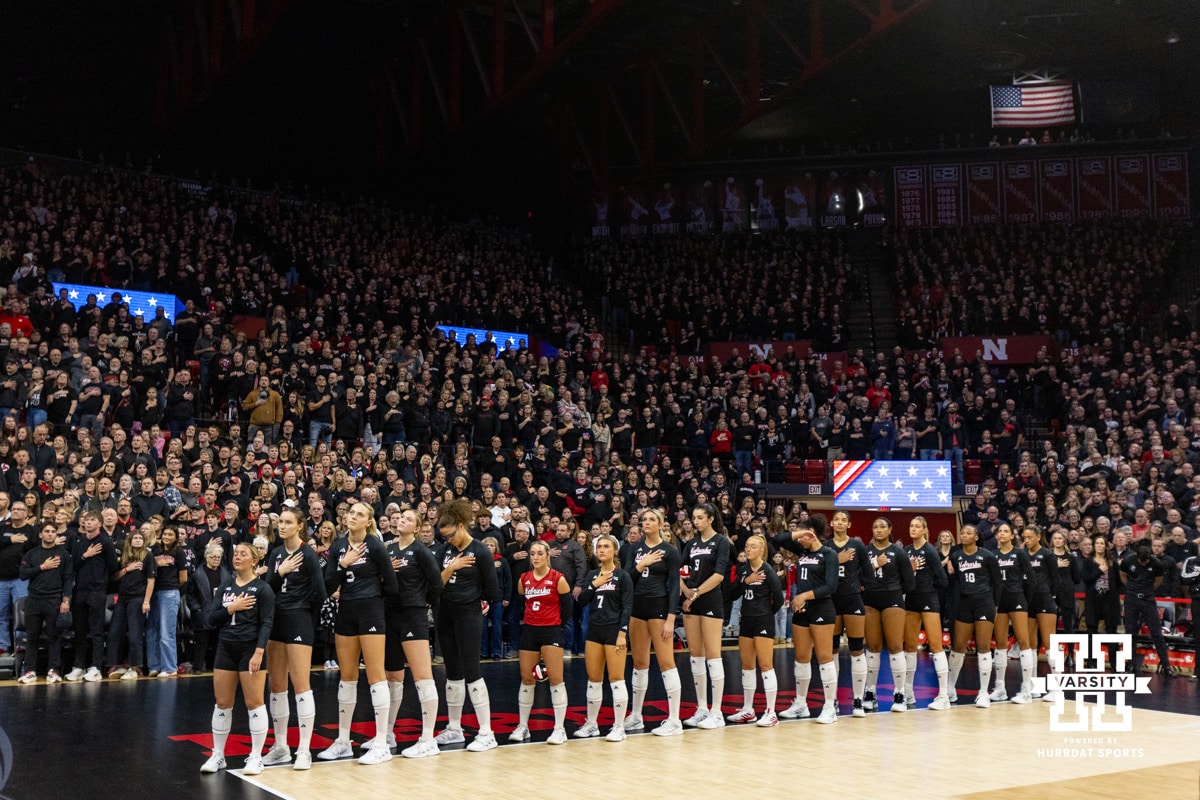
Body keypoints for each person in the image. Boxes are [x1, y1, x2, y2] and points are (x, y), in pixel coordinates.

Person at [319, 502, 399, 765]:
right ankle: (343, 741)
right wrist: (343, 564)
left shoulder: (375, 545)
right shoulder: (339, 546)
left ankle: (381, 742)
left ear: (368, 521)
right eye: (351, 512)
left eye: (360, 514)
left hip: (371, 612)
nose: (353, 516)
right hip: (347, 614)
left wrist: (374, 602)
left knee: (376, 676)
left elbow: (392, 584)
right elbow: (328, 585)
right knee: (347, 677)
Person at [199, 542, 276, 775]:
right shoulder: (226, 586)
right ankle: (218, 755)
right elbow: (211, 619)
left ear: (254, 560)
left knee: (254, 703)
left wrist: (259, 652)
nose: (237, 557)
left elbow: (267, 623)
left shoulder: (263, 589)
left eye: (243, 554)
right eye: (235, 554)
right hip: (226, 648)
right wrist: (232, 608)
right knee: (222, 703)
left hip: (250, 649)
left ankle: (255, 756)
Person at [261, 506, 328, 770]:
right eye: (281, 522)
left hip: (299, 619)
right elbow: (267, 588)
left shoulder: (308, 554)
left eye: (288, 522)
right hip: (276, 619)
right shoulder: (276, 554)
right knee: (277, 685)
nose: (282, 526)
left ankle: (304, 749)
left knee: (301, 685)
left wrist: (302, 612)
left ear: (299, 526)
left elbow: (320, 594)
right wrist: (281, 572)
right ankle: (280, 746)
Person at [432, 499, 501, 752]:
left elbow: (493, 590)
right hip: (445, 613)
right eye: (444, 536)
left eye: (450, 535)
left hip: (469, 614)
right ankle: (453, 727)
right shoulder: (444, 552)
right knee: (452, 671)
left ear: (462, 526)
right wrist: (451, 567)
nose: (447, 539)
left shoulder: (481, 551)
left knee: (472, 671)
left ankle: (487, 732)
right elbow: (435, 585)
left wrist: (479, 602)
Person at [382, 507, 443, 759]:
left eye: (407, 519)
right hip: (390, 615)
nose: (400, 520)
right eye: (399, 517)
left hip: (413, 615)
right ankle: (387, 734)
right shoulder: (389, 549)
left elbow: (437, 584)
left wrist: (422, 601)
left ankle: (428, 739)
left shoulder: (421, 551)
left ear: (417, 527)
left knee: (422, 677)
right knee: (392, 676)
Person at [622, 508, 684, 736]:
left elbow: (675, 587)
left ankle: (675, 719)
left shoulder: (670, 551)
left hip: (659, 608)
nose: (646, 522)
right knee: (639, 662)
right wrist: (642, 563)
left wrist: (671, 618)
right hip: (637, 607)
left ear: (660, 524)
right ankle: (636, 716)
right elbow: (627, 578)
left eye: (651, 519)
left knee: (667, 662)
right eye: (643, 519)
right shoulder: (634, 548)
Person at [775, 516, 839, 724]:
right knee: (801, 657)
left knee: (823, 657)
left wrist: (804, 595)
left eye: (803, 535)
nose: (799, 541)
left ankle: (830, 707)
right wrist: (797, 534)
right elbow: (777, 539)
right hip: (802, 611)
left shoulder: (829, 554)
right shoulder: (802, 551)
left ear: (811, 532)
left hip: (821, 608)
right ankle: (801, 704)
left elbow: (831, 587)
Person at [509, 540, 572, 745]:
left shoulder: (558, 579)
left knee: (555, 678)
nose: (535, 557)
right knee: (527, 678)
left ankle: (559, 728)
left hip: (551, 630)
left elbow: (567, 607)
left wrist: (557, 626)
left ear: (547, 556)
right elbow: (520, 602)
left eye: (539, 553)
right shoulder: (524, 579)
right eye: (532, 554)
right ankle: (523, 726)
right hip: (529, 630)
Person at [680, 502, 733, 729]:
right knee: (696, 655)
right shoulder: (690, 544)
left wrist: (695, 594)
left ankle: (717, 711)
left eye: (700, 517)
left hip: (710, 599)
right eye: (694, 517)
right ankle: (702, 708)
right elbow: (678, 571)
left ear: (711, 518)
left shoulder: (721, 542)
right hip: (692, 601)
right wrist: (686, 592)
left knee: (713, 654)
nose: (695, 521)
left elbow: (719, 576)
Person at [575, 534, 633, 742]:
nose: (602, 550)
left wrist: (622, 633)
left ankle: (619, 726)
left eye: (606, 546)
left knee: (616, 679)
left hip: (614, 630)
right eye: (599, 546)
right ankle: (592, 724)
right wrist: (594, 584)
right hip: (594, 630)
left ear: (614, 550)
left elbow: (627, 606)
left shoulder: (623, 576)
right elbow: (581, 601)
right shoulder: (592, 574)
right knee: (594, 679)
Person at [725, 532, 784, 725]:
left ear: (762, 550)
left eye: (753, 546)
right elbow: (732, 594)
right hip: (746, 620)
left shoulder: (768, 571)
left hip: (763, 621)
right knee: (747, 665)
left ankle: (771, 712)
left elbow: (779, 599)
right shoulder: (743, 570)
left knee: (766, 665)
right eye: (747, 545)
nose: (748, 549)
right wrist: (745, 582)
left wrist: (766, 612)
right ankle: (748, 710)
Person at [862, 517, 915, 712]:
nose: (878, 530)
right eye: (875, 526)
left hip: (893, 599)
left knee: (894, 646)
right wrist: (875, 564)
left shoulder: (898, 552)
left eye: (882, 527)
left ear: (890, 529)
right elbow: (858, 576)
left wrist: (894, 589)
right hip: (870, 600)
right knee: (873, 646)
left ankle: (899, 693)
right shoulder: (866, 552)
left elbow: (910, 582)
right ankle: (870, 692)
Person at [946, 524, 1002, 707]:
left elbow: (997, 582)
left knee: (983, 646)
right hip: (964, 603)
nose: (964, 535)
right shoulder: (955, 556)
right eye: (962, 532)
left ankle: (983, 692)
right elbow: (953, 579)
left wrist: (996, 605)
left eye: (969, 533)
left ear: (976, 537)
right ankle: (949, 689)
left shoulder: (987, 556)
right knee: (958, 646)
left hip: (984, 603)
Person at [901, 516, 951, 710]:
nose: (913, 529)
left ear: (924, 530)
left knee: (936, 645)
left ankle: (944, 695)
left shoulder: (930, 550)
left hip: (929, 599)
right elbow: (904, 579)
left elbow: (942, 579)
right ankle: (908, 692)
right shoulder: (905, 550)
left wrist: (928, 588)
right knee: (910, 646)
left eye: (917, 526)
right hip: (912, 600)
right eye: (911, 525)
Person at [827, 510, 872, 716]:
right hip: (831, 601)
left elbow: (868, 572)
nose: (839, 522)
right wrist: (837, 559)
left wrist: (859, 586)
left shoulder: (857, 545)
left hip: (853, 599)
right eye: (836, 519)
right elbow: (819, 571)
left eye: (843, 520)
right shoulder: (826, 546)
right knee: (832, 650)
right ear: (831, 523)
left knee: (856, 649)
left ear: (849, 525)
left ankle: (857, 701)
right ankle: (833, 700)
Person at [16, 522, 73, 683]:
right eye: (46, 531)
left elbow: (68, 579)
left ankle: (53, 670)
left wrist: (66, 600)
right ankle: (29, 671)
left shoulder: (64, 555)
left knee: (53, 637)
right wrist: (43, 566)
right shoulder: (31, 554)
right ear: (40, 534)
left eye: (53, 531)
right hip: (34, 599)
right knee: (32, 636)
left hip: (54, 599)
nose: (49, 534)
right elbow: (23, 574)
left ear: (56, 534)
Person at [66, 509, 118, 682]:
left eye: (92, 520)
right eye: (87, 520)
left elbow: (113, 567)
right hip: (80, 591)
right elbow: (72, 565)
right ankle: (78, 666)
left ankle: (95, 667)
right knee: (79, 630)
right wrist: (85, 556)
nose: (88, 522)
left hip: (97, 591)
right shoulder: (79, 541)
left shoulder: (105, 542)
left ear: (100, 524)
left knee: (96, 631)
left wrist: (100, 581)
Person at [989, 523, 1035, 703]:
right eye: (1000, 531)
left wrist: (1025, 600)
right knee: (1000, 643)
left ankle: (1026, 689)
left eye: (1005, 531)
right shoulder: (992, 555)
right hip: (999, 601)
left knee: (1024, 641)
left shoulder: (1020, 553)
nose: (1002, 533)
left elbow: (1031, 579)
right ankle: (1000, 688)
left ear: (1011, 535)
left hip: (1017, 598)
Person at [1120, 542, 1177, 676]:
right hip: (1131, 598)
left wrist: (1148, 591)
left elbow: (1158, 580)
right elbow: (1122, 574)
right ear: (1137, 557)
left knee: (1156, 632)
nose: (1144, 564)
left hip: (1148, 599)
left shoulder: (1157, 563)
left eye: (1146, 561)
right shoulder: (1128, 560)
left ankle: (1166, 666)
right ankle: (1130, 664)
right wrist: (1131, 588)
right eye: (1141, 561)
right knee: (1130, 632)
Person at [108, 527, 154, 679]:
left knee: (135, 634)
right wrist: (127, 569)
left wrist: (146, 601)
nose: (138, 541)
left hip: (138, 598)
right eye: (135, 538)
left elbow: (151, 580)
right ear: (130, 540)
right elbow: (114, 577)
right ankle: (115, 664)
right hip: (122, 598)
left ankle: (136, 666)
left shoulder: (148, 556)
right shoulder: (124, 557)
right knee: (115, 631)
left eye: (140, 539)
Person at [1022, 525, 1062, 700]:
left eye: (1030, 537)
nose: (1027, 540)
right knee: (1031, 643)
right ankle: (1033, 686)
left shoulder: (1047, 554)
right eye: (1025, 537)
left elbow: (1056, 578)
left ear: (1038, 537)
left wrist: (1051, 596)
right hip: (1028, 600)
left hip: (1045, 599)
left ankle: (1057, 689)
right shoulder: (1022, 555)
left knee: (1049, 642)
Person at [146, 525, 188, 678]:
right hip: (153, 592)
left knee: (166, 632)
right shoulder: (155, 551)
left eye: (170, 534)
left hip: (169, 593)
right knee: (152, 631)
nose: (167, 537)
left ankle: (169, 667)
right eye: (165, 534)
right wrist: (157, 564)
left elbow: (183, 578)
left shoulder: (179, 552)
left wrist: (171, 586)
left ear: (176, 537)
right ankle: (154, 666)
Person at [1050, 530, 1081, 641]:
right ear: (1052, 541)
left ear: (1064, 541)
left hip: (1067, 592)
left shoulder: (1071, 558)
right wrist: (1056, 566)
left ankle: (1070, 653)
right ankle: (1050, 652)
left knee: (1068, 624)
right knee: (1050, 623)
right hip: (1050, 593)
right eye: (1055, 538)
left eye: (1060, 538)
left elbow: (1077, 578)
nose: (1057, 541)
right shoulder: (1047, 556)